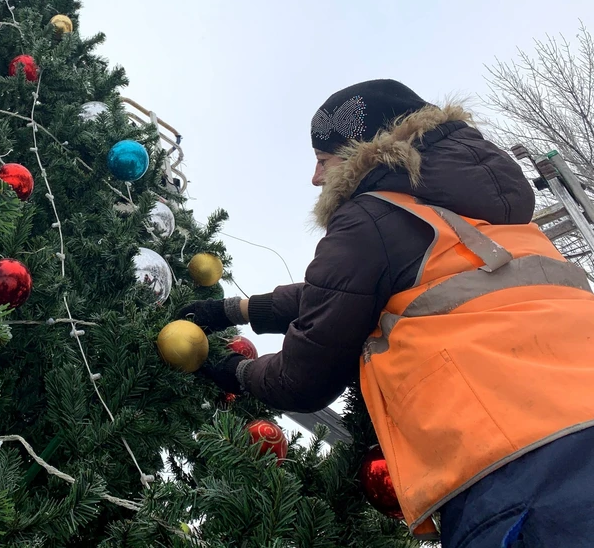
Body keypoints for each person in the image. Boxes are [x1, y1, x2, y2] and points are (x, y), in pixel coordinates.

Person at [177, 79, 594, 547]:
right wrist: (236, 309)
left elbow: (303, 376)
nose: (315, 178)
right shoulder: (488, 220)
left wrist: (233, 370)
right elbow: (357, 292)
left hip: (520, 462)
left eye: (321, 159)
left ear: (358, 151)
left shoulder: (368, 217)